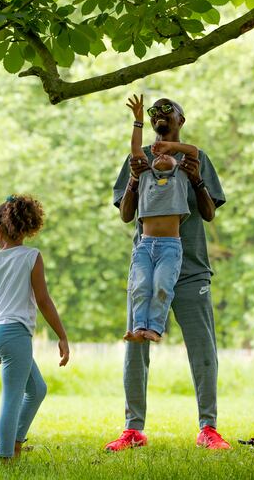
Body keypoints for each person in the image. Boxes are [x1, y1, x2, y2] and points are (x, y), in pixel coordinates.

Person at [106, 95, 231, 451]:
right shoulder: (139, 157)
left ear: (181, 118)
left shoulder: (197, 158)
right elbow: (126, 215)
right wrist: (133, 181)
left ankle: (208, 428)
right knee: (136, 349)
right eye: (154, 111)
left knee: (203, 349)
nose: (159, 114)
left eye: (167, 109)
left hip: (191, 269)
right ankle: (133, 430)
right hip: (147, 262)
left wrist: (197, 182)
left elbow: (208, 213)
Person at [0, 194, 70, 462]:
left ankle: (15, 441)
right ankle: (6, 457)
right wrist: (62, 335)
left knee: (37, 389)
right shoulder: (32, 257)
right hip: (16, 335)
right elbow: (43, 300)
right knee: (12, 398)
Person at [123, 94, 199, 343]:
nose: (162, 156)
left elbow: (193, 151)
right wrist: (138, 121)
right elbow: (136, 149)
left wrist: (171, 147)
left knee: (162, 286)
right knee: (141, 286)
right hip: (145, 245)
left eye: (168, 156)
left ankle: (154, 329)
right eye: (158, 156)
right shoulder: (144, 175)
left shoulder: (181, 176)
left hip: (169, 247)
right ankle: (138, 328)